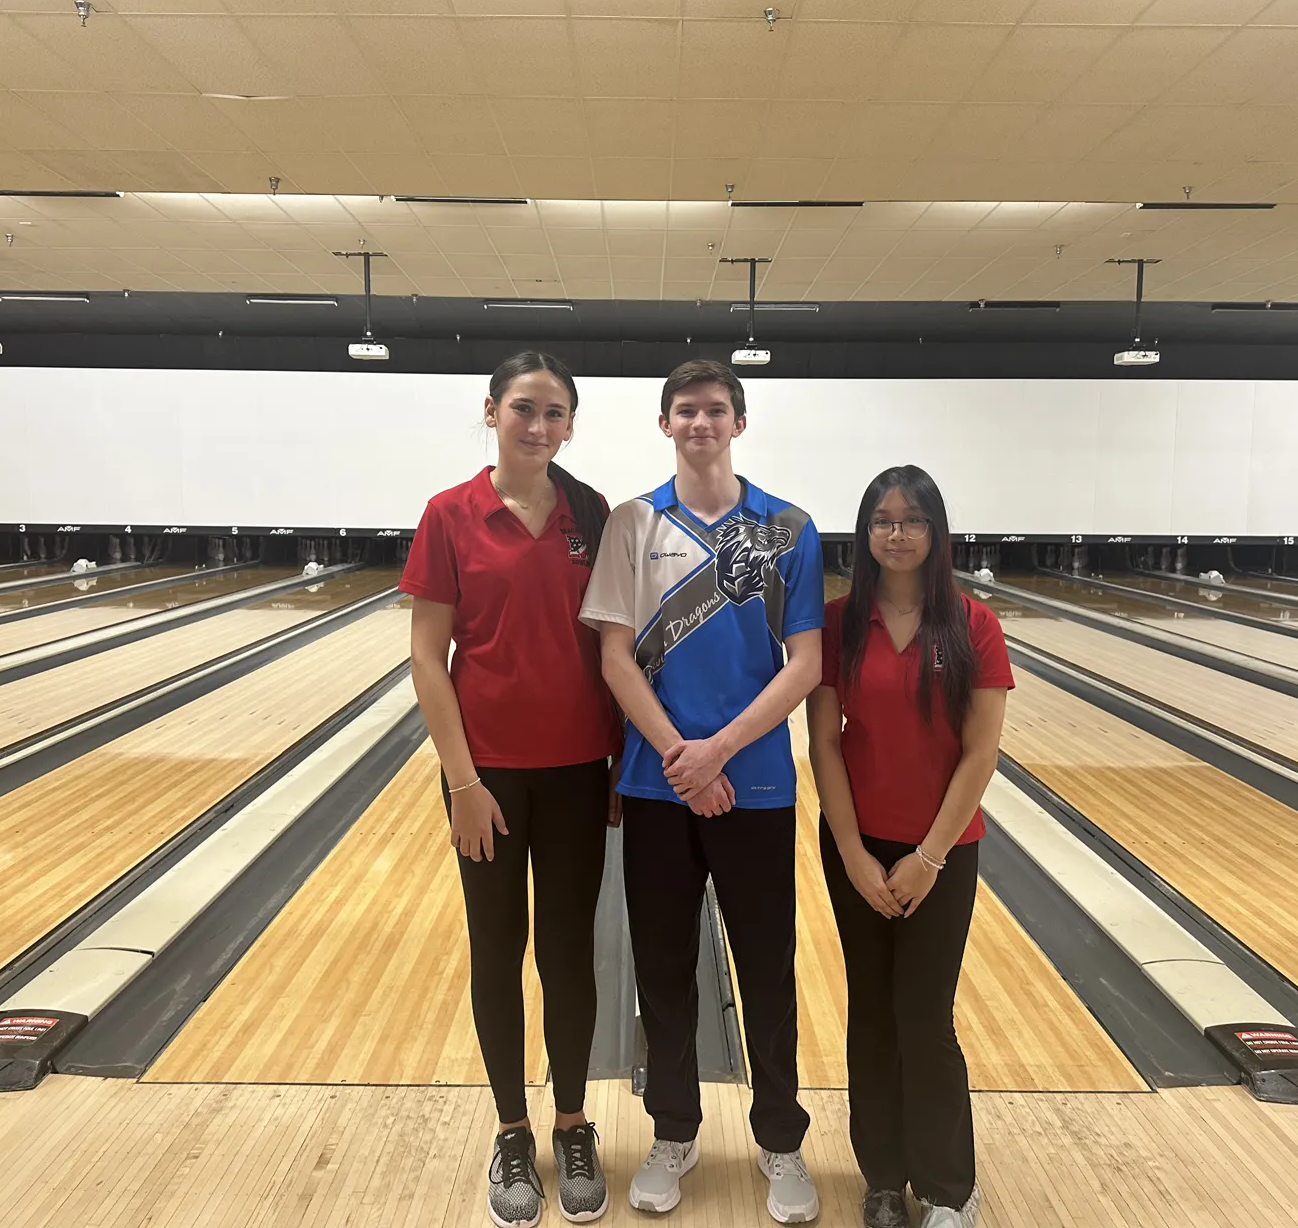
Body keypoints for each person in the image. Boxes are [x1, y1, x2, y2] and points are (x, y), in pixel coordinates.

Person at [578, 360, 825, 1223]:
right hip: (656, 788)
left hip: (754, 785)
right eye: (685, 411)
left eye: (715, 410)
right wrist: (682, 758)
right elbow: (614, 656)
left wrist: (715, 751)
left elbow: (807, 665)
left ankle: (781, 1143)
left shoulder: (790, 528)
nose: (700, 423)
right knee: (664, 972)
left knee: (768, 973)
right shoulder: (631, 524)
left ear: (739, 423)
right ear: (665, 424)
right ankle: (673, 1132)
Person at [403, 351, 623, 1228]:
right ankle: (510, 1128)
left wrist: (616, 766)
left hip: (576, 774)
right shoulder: (449, 514)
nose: (539, 426)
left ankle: (572, 1124)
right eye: (524, 409)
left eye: (555, 413)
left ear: (571, 424)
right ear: (491, 412)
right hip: (485, 776)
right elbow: (427, 654)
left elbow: (613, 646)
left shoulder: (591, 514)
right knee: (497, 949)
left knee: (568, 955)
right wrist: (461, 781)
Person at [805, 465, 1013, 1228]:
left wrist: (929, 857)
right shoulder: (835, 623)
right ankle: (884, 1179)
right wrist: (855, 854)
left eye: (912, 520)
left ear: (936, 532)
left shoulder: (972, 625)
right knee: (872, 1014)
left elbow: (980, 754)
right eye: (883, 520)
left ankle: (950, 1188)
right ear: (865, 533)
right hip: (856, 843)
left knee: (924, 1017)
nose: (897, 534)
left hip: (944, 850)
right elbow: (825, 743)